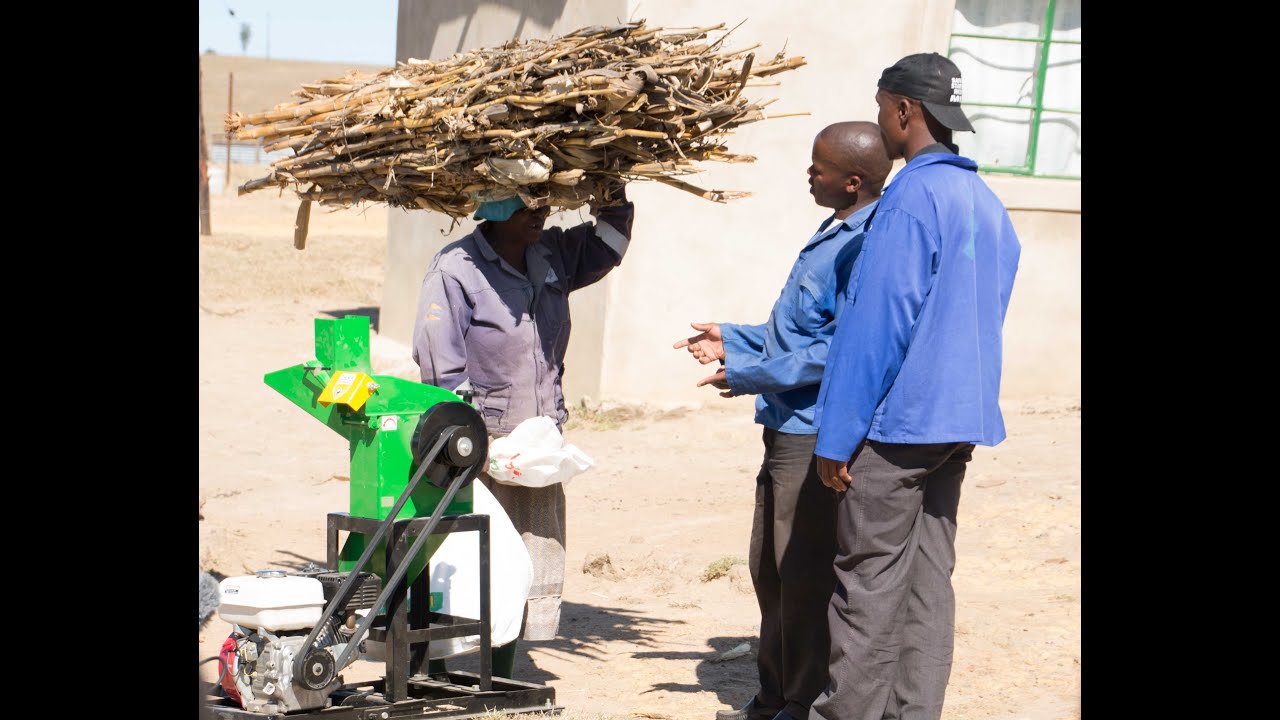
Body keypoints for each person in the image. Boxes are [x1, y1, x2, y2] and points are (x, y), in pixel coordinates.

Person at [806, 53, 1021, 720]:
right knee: (929, 584)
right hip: (959, 422)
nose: (880, 122)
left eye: (881, 110)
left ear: (904, 111)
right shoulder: (986, 202)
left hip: (899, 428)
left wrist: (836, 437)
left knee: (867, 585)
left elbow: (877, 327)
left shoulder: (909, 198)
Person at [674, 122, 891, 720]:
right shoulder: (833, 230)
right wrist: (734, 340)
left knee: (801, 576)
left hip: (813, 429)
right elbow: (796, 333)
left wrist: (747, 373)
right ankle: (772, 695)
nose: (808, 174)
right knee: (769, 570)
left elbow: (840, 350)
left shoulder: (864, 244)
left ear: (851, 182)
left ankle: (800, 700)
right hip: (785, 423)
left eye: (817, 167)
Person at [412, 181, 634, 678]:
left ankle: (504, 672)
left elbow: (610, 245)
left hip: (536, 439)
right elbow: (438, 360)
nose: (541, 212)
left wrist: (612, 188)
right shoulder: (457, 269)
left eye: (543, 201)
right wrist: (470, 437)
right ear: (494, 206)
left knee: (533, 553)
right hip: (482, 440)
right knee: (470, 557)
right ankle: (439, 667)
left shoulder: (552, 253)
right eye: (526, 203)